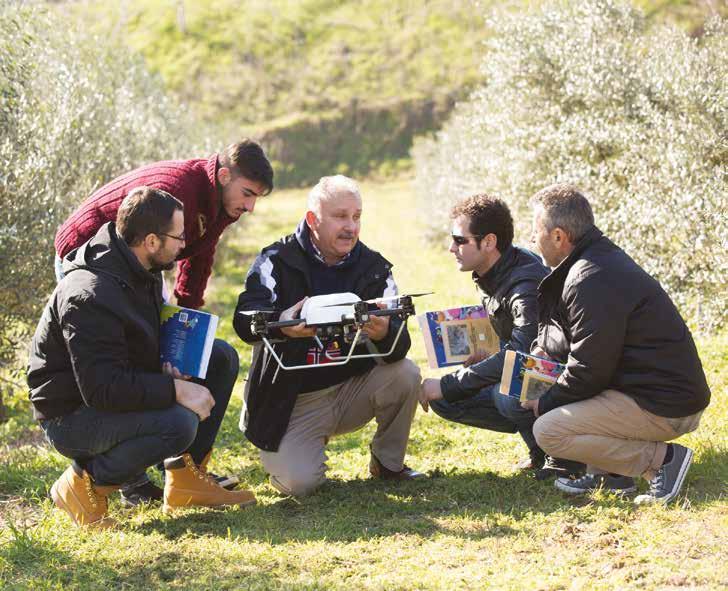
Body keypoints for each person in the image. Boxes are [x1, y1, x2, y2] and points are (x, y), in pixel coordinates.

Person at [52, 139, 273, 505]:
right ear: (223, 175)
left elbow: (198, 259)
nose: (249, 207)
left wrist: (185, 326)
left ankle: (187, 475)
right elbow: (145, 251)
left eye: (256, 199)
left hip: (137, 265)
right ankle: (122, 481)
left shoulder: (220, 205)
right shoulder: (176, 191)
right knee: (122, 360)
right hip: (87, 258)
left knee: (196, 356)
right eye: (247, 194)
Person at [28, 187, 256, 529]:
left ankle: (184, 480)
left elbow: (130, 347)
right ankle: (82, 484)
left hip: (108, 392)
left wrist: (165, 364)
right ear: (151, 240)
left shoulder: (141, 267)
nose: (183, 245)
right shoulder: (88, 295)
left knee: (218, 357)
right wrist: (174, 390)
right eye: (178, 237)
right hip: (71, 416)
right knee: (178, 423)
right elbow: (103, 390)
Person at [233, 175, 423, 496]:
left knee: (406, 373)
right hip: (292, 401)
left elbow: (399, 347)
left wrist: (384, 332)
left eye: (357, 216)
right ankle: (300, 452)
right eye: (339, 216)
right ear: (313, 219)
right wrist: (281, 322)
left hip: (351, 389)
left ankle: (388, 463)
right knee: (300, 484)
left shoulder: (374, 268)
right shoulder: (276, 260)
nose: (350, 226)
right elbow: (244, 320)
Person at [523, 183, 711, 503]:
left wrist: (547, 400)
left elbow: (590, 369)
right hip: (655, 392)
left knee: (549, 430)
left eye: (535, 230)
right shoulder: (596, 262)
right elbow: (587, 345)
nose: (531, 239)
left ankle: (662, 461)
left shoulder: (590, 276)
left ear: (558, 236)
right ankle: (611, 476)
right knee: (564, 404)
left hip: (664, 404)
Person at [418, 195, 579, 478]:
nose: (451, 247)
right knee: (446, 399)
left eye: (459, 240)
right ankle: (540, 450)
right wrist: (488, 358)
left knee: (507, 393)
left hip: (568, 379)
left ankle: (564, 455)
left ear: (489, 242)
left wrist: (447, 384)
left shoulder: (524, 284)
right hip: (537, 367)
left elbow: (523, 358)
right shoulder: (491, 270)